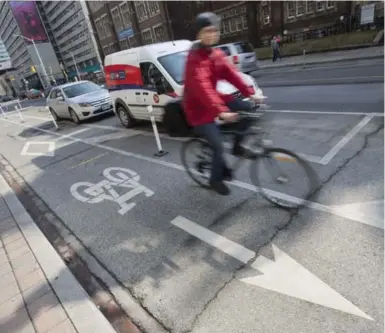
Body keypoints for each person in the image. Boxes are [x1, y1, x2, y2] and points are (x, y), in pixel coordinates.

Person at [183, 12, 263, 196]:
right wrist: (221, 111)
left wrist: (251, 94)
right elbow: (202, 87)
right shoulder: (194, 59)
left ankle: (237, 146)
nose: (211, 34)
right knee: (218, 144)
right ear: (198, 35)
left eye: (214, 30)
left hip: (214, 99)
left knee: (249, 108)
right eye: (207, 31)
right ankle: (214, 180)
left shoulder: (216, 54)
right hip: (198, 110)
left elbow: (232, 74)